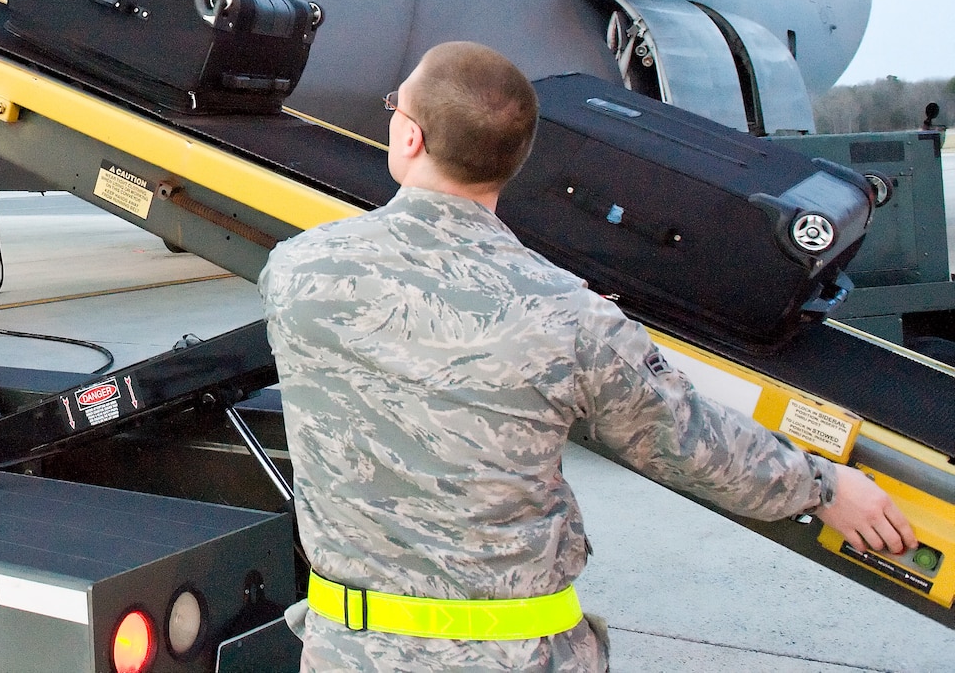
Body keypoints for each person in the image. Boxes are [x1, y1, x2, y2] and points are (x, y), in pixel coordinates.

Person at [260, 41, 913, 672]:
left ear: (409, 138)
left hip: (351, 656)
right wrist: (823, 487)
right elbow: (691, 443)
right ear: (514, 159)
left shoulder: (294, 273)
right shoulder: (571, 317)